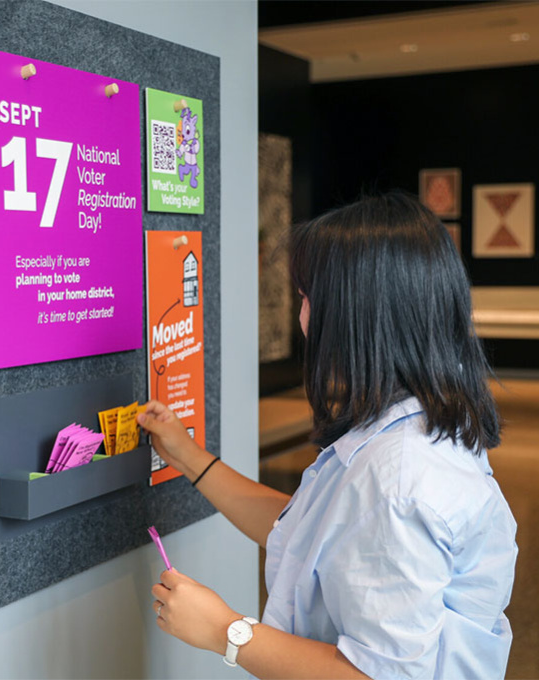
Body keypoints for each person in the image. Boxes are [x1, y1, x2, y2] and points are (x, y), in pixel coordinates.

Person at [138, 192, 517, 679]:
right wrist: (187, 455)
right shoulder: (420, 424)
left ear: (353, 313)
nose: (301, 317)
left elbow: (378, 675)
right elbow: (311, 534)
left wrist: (226, 631)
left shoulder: (398, 480)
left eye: (305, 297)